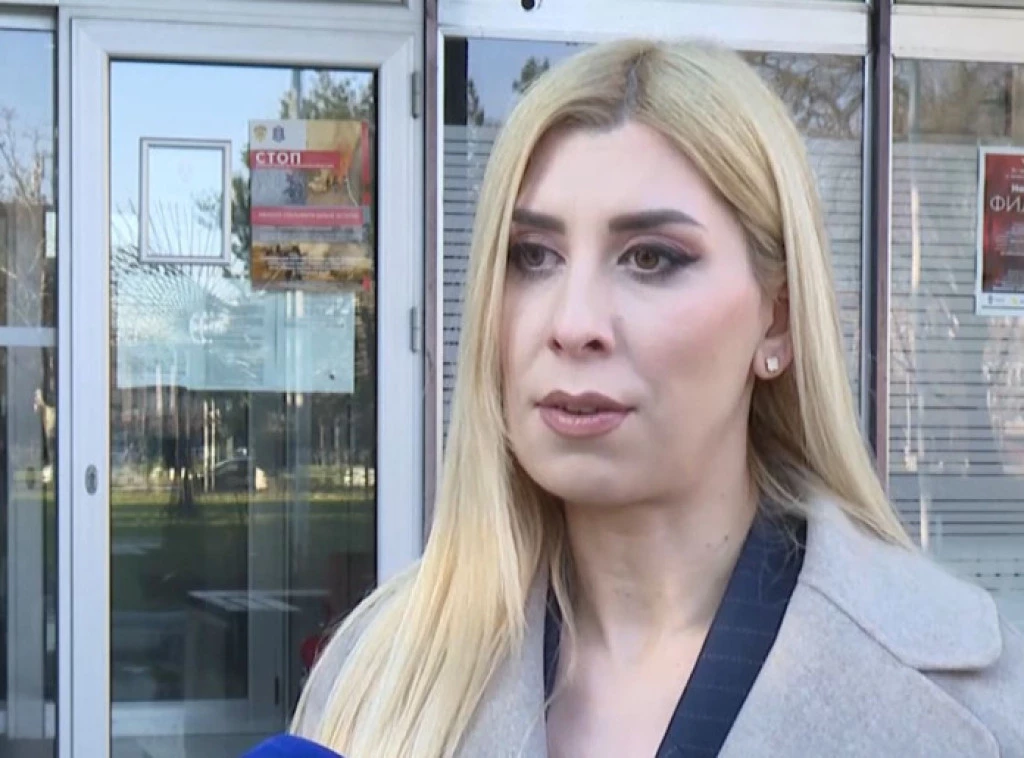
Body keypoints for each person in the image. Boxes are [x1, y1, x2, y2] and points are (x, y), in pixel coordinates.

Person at [288, 39, 1024, 757]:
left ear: (777, 319)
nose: (573, 324)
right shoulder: (377, 677)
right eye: (532, 256)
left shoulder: (980, 711)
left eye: (650, 258)